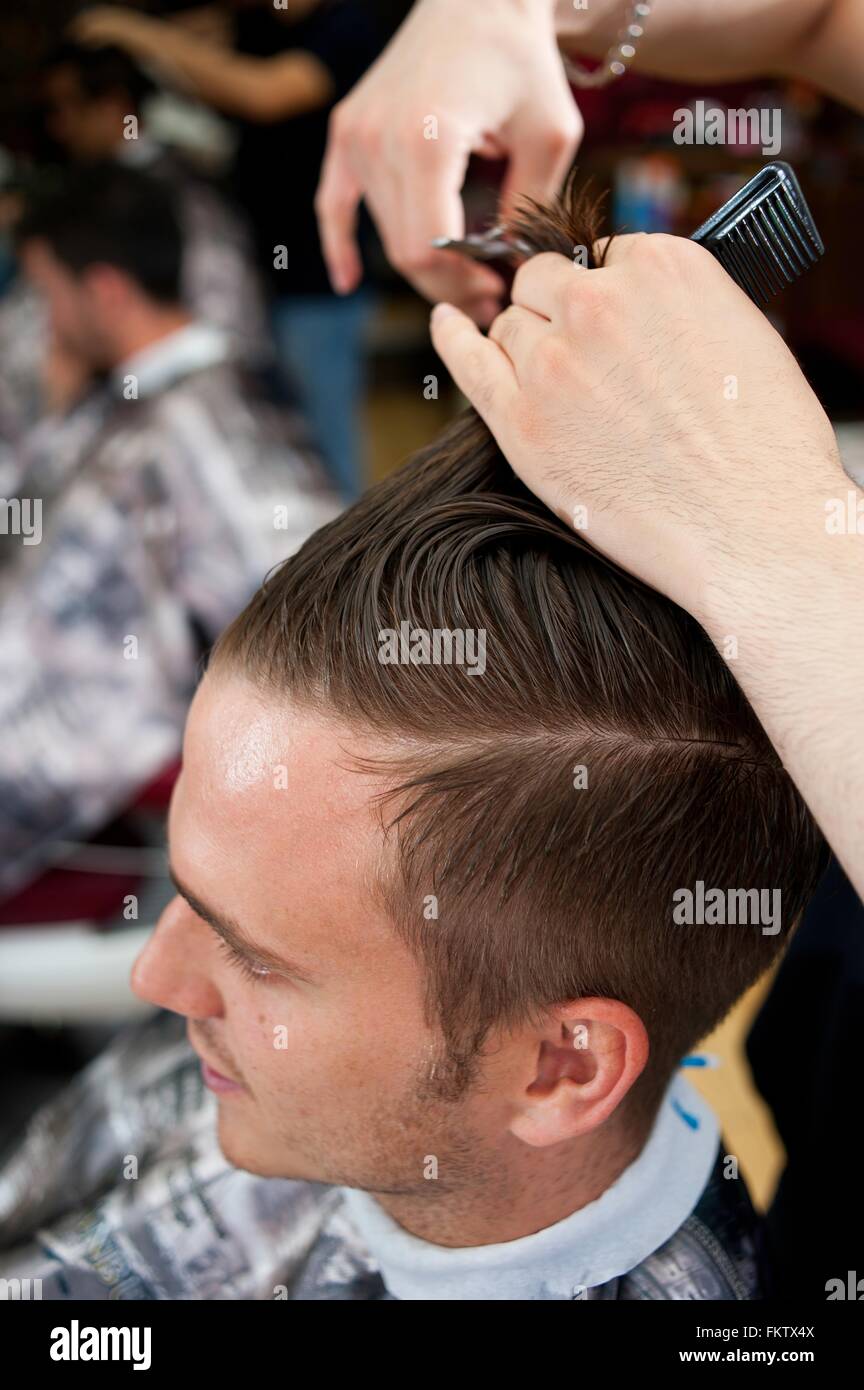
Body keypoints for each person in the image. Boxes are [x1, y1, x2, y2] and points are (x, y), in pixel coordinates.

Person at [0, 185, 828, 1300]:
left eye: (255, 956)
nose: (158, 974)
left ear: (561, 1066)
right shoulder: (288, 1071)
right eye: (196, 897)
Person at [0, 163, 339, 901]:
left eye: (48, 294)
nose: (43, 322)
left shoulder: (208, 416)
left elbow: (309, 605)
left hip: (82, 749)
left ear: (107, 290)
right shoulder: (127, 397)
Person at [73, 1, 383, 499]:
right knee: (282, 445)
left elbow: (261, 92)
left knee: (324, 445)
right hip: (266, 274)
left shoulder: (344, 26)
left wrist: (135, 30)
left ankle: (349, 570)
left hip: (323, 278)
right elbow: (213, 77)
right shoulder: (258, 25)